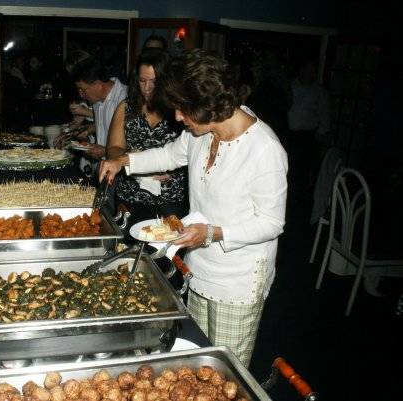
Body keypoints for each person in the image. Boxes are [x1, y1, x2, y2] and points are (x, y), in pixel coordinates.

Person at [99, 50, 288, 367]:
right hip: (199, 265)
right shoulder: (202, 132)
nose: (177, 117)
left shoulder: (264, 149)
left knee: (223, 370)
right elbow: (169, 155)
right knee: (198, 357)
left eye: (182, 109)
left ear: (207, 104)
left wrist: (213, 233)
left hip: (237, 278)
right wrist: (123, 160)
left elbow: (271, 222)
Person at [106, 49, 187, 236]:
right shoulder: (127, 107)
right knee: (127, 249)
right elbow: (113, 149)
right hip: (130, 197)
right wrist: (129, 158)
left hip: (170, 200)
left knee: (167, 251)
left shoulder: (179, 111)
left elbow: (190, 154)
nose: (147, 88)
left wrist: (170, 168)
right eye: (142, 81)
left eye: (154, 82)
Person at [68, 56, 128, 161]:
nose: (81, 95)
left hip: (121, 167)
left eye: (82, 90)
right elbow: (105, 125)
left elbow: (138, 147)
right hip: (103, 165)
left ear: (98, 84)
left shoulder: (125, 99)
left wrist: (105, 151)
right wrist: (87, 130)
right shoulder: (96, 100)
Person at [287, 59, 330, 187]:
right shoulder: (290, 86)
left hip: (307, 136)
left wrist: (321, 133)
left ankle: (302, 192)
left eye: (313, 71)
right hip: (290, 134)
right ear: (301, 70)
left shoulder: (319, 92)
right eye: (309, 70)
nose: (312, 73)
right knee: (289, 166)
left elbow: (324, 114)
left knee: (304, 169)